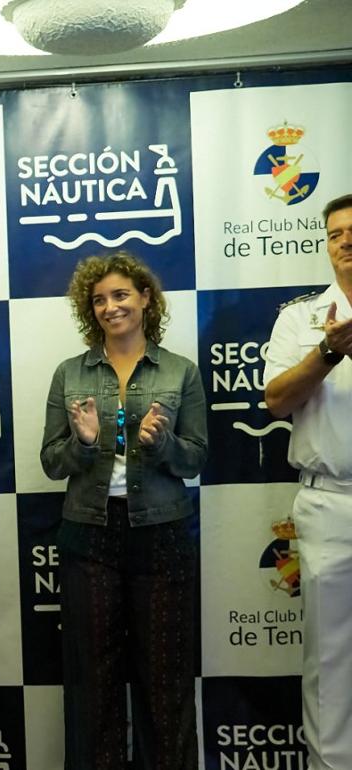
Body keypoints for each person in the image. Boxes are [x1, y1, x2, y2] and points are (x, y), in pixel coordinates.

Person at [40, 252, 207, 770]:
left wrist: (162, 446)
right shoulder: (69, 373)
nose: (110, 307)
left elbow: (196, 457)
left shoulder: (181, 372)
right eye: (99, 299)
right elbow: (51, 462)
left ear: (145, 299)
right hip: (89, 538)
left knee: (166, 677)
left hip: (162, 536)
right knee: (92, 681)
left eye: (120, 295)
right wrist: (85, 443)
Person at [263, 193, 352, 770]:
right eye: (336, 233)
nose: (346, 241)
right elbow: (274, 402)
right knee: (330, 661)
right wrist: (326, 352)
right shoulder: (301, 318)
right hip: (332, 505)